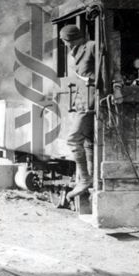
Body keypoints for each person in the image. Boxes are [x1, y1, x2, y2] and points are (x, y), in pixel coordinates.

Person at [59, 24, 95, 199]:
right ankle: (90, 177)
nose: (65, 45)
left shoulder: (92, 47)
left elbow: (108, 70)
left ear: (70, 39)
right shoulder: (75, 52)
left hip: (92, 100)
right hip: (83, 101)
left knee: (73, 139)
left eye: (65, 41)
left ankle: (85, 180)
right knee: (87, 140)